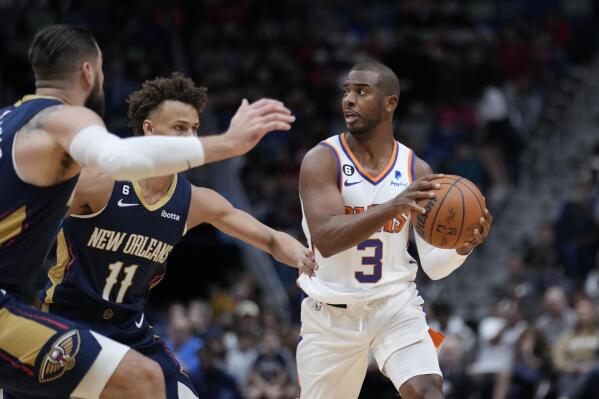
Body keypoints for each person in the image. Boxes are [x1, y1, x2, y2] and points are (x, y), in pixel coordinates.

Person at [0, 24, 294, 399]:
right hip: (65, 317)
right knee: (144, 381)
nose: (189, 137)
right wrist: (228, 143)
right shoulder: (92, 170)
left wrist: (305, 256)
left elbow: (268, 237)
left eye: (195, 129)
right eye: (180, 128)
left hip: (129, 328)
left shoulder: (193, 200)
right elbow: (118, 157)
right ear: (89, 72)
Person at [296, 61, 493, 399]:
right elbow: (327, 239)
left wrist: (462, 246)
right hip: (331, 314)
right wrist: (393, 206)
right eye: (346, 92)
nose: (348, 100)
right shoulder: (322, 160)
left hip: (394, 304)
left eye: (361, 92)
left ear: (390, 103)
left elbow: (433, 265)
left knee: (427, 389)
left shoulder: (417, 170)